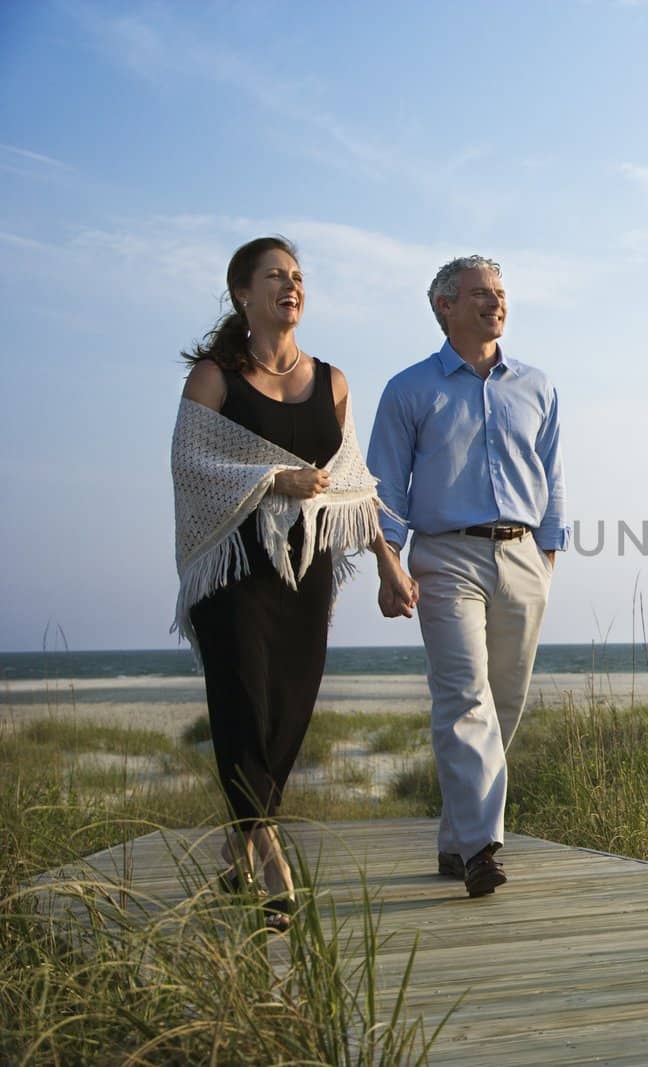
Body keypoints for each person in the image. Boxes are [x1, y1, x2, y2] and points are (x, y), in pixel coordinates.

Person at [172, 235, 409, 931]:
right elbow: (189, 465)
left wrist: (389, 563)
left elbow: (355, 485)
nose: (291, 286)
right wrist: (273, 476)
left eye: (298, 276)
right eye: (275, 275)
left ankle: (233, 840)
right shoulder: (216, 377)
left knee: (290, 710)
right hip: (236, 568)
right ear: (242, 293)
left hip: (303, 571)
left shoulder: (332, 381)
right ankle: (270, 855)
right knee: (244, 701)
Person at [367, 255, 567, 898]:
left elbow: (553, 476)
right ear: (444, 306)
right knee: (465, 698)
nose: (495, 303)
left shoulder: (537, 385)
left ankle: (457, 838)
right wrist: (387, 560)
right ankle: (485, 848)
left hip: (523, 556)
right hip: (445, 557)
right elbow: (384, 485)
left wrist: (548, 555)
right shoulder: (408, 389)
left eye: (500, 293)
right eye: (480, 294)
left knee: (503, 704)